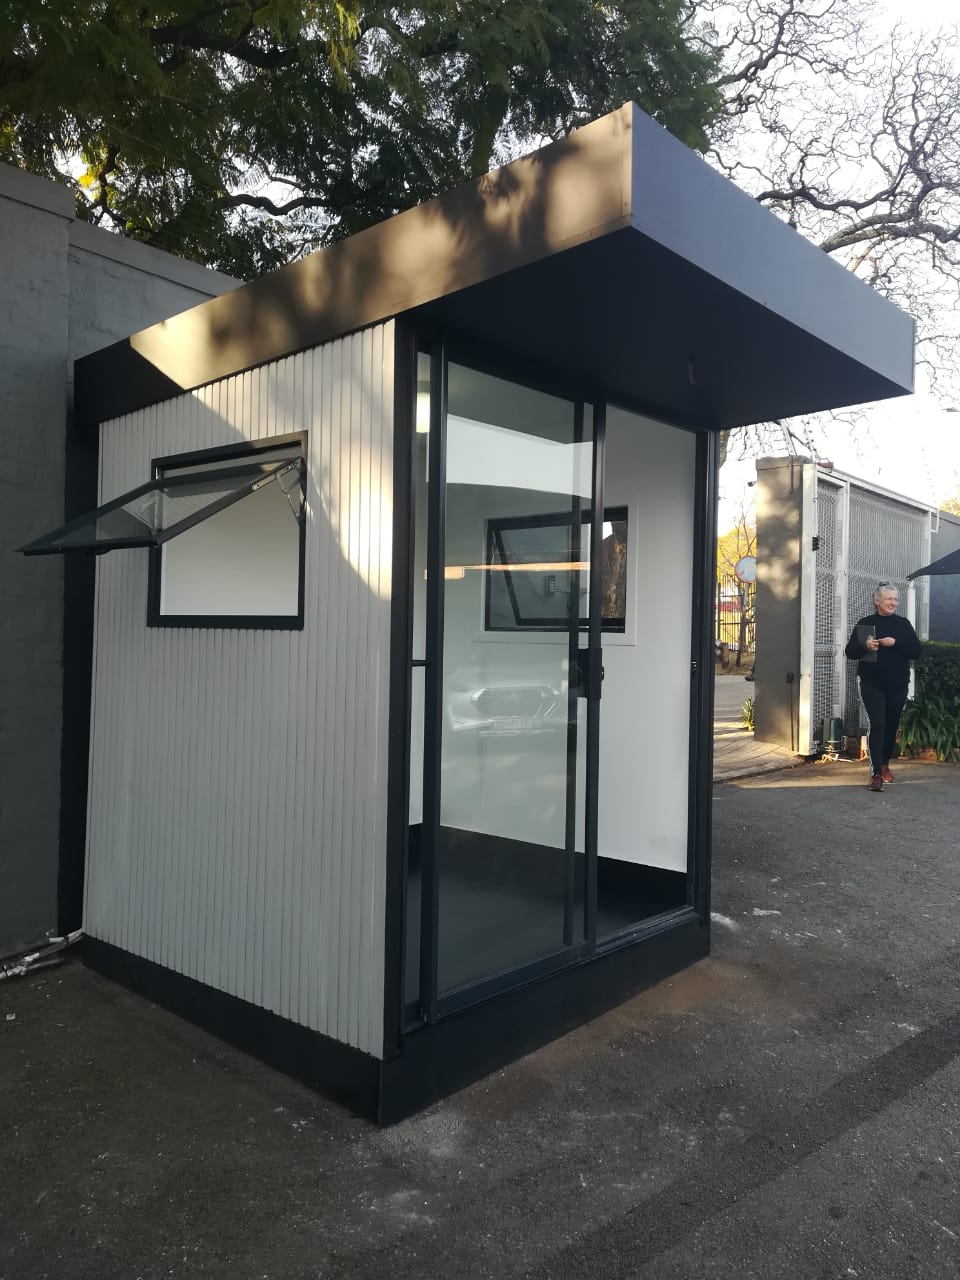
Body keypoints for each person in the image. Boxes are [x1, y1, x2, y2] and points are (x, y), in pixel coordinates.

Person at [844, 581, 922, 792]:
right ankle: (876, 773)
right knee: (877, 723)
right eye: (889, 599)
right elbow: (850, 652)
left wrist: (896, 643)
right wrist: (865, 645)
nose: (893, 603)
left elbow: (916, 651)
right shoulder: (865, 623)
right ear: (877, 601)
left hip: (897, 684)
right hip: (871, 683)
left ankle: (885, 762)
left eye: (896, 599)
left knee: (890, 725)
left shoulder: (903, 624)